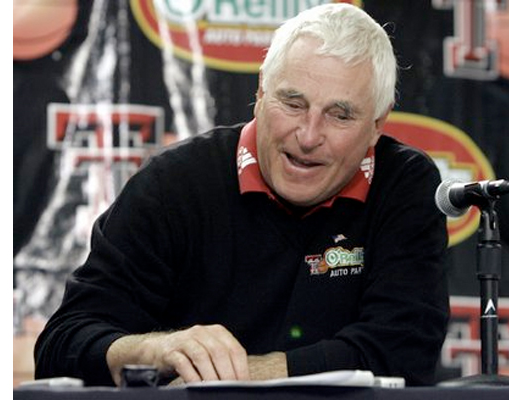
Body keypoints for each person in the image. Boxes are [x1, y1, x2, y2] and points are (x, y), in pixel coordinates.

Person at [34, 3, 449, 387]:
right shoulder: (174, 183)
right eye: (293, 103)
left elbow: (402, 351)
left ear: (377, 125)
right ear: (261, 92)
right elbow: (61, 347)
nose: (308, 136)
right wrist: (156, 351)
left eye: (340, 115)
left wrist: (237, 379)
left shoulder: (404, 185)